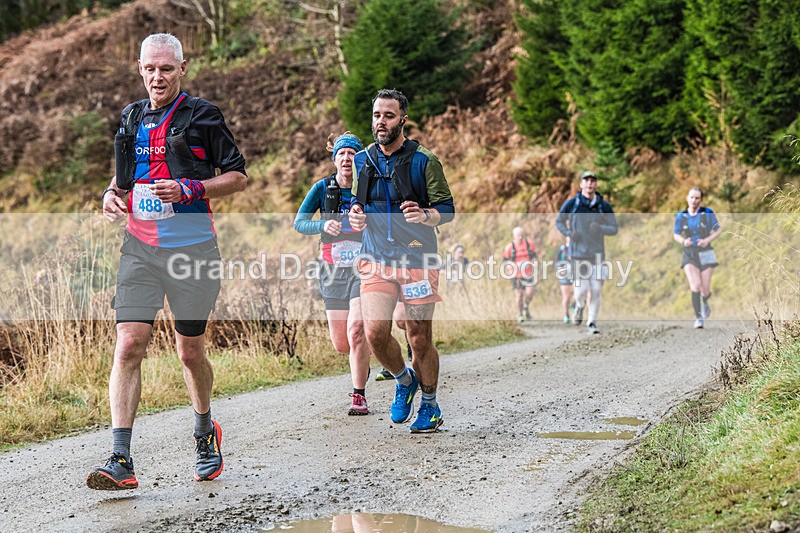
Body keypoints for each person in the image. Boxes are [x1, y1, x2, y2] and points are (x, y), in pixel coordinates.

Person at [88, 33, 247, 491]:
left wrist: (190, 189)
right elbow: (123, 179)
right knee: (128, 344)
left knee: (189, 351)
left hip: (193, 251)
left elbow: (237, 176)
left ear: (182, 69)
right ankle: (120, 458)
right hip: (139, 249)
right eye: (150, 69)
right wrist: (109, 196)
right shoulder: (131, 116)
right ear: (139, 69)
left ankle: (204, 431)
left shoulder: (203, 115)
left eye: (166, 68)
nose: (157, 77)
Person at [349, 88, 455, 433]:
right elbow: (357, 205)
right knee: (376, 333)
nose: (381, 122)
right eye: (377, 115)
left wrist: (426, 215)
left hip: (418, 260)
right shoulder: (362, 160)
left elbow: (447, 210)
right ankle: (404, 379)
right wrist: (355, 217)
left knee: (419, 335)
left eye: (389, 115)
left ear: (403, 120)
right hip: (376, 259)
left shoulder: (425, 160)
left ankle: (430, 404)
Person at [293, 131, 371, 415]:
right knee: (342, 343)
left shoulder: (369, 188)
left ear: (359, 158)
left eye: (352, 154)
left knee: (357, 330)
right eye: (342, 154)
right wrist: (322, 227)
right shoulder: (322, 187)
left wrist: (368, 223)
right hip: (331, 269)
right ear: (335, 158)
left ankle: (358, 395)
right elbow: (299, 223)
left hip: (363, 268)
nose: (347, 159)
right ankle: (364, 359)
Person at [555, 170, 618, 334]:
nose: (590, 183)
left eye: (592, 181)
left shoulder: (603, 206)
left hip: (597, 254)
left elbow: (614, 228)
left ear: (596, 184)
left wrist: (601, 228)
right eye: (586, 180)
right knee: (581, 291)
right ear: (581, 184)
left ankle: (591, 322)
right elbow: (559, 221)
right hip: (578, 254)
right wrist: (569, 233)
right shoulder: (573, 203)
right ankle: (579, 307)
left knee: (596, 289)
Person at [673, 187, 721, 329]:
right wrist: (683, 241)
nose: (694, 201)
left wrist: (707, 239)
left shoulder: (707, 213)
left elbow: (718, 229)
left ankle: (705, 301)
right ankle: (698, 318)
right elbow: (675, 234)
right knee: (695, 286)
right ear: (687, 198)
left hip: (706, 252)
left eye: (697, 198)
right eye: (692, 197)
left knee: (705, 289)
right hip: (690, 253)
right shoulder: (681, 216)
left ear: (701, 200)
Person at [502, 227, 538, 322]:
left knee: (530, 293)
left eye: (522, 234)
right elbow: (504, 261)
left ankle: (526, 307)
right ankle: (520, 314)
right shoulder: (509, 247)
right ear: (514, 236)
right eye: (518, 235)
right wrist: (509, 267)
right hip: (516, 275)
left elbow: (534, 256)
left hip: (529, 273)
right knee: (519, 296)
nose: (520, 237)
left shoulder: (529, 244)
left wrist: (535, 264)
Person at [554, 236, 575, 324]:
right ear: (566, 238)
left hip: (576, 273)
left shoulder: (577, 248)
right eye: (568, 237)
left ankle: (573, 305)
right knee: (566, 297)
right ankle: (566, 315)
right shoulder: (562, 249)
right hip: (564, 274)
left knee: (578, 294)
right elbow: (557, 262)